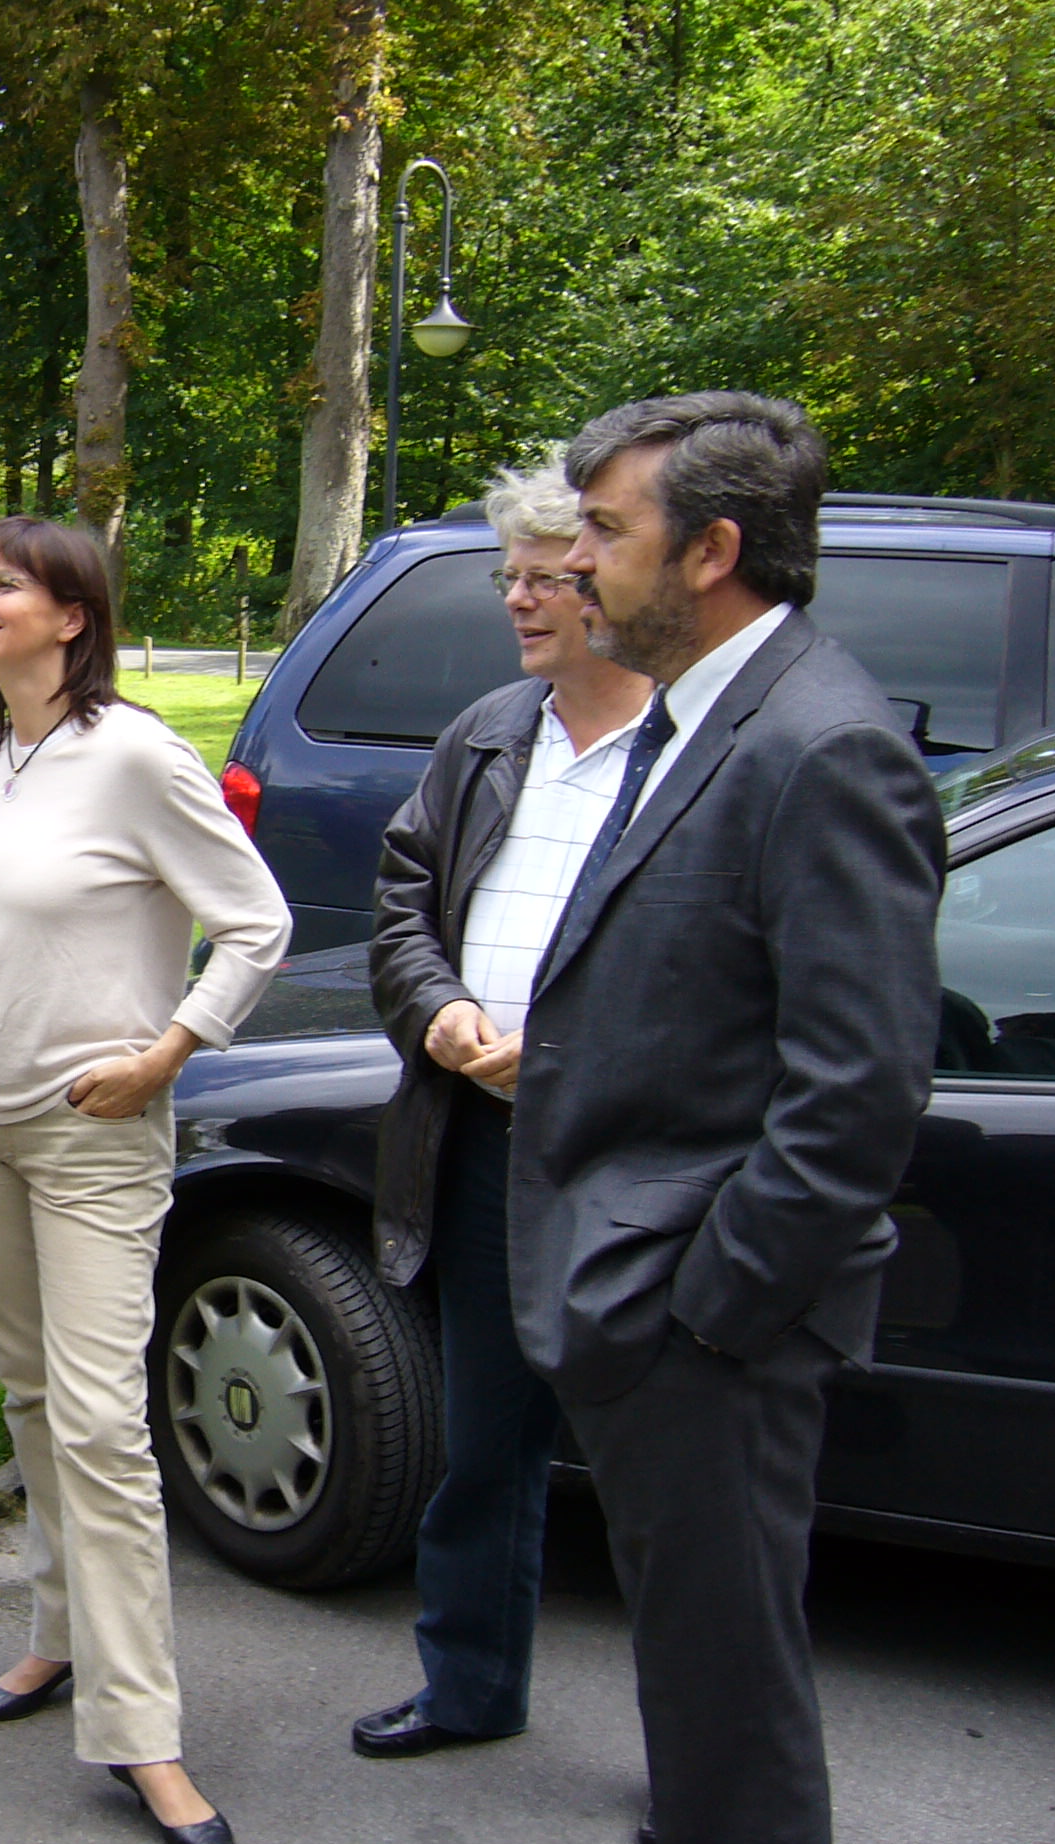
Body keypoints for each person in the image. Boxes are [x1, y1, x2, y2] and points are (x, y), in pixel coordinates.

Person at [515, 392, 944, 1844]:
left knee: (727, 1719)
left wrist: (706, 1314)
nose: (573, 563)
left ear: (710, 551)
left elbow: (859, 1092)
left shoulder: (822, 746)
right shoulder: (706, 716)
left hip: (709, 1341)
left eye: (604, 531)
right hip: (659, 1314)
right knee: (698, 1708)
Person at [0, 517, 288, 1844]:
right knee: (32, 1397)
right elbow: (11, 908)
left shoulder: (135, 754)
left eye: (4, 583)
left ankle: (142, 1733)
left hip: (93, 1133)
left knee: (105, 1425)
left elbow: (258, 923)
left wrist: (169, 1052)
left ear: (73, 615)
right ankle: (56, 1639)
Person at [355, 458, 655, 1759]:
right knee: (484, 1446)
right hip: (480, 1143)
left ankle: (698, 1762)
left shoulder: (690, 753)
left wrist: (572, 1053)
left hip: (630, 1162)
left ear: (611, 582)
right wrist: (437, 1011)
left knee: (662, 1478)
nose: (519, 600)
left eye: (546, 578)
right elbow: (402, 900)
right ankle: (468, 1687)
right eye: (509, 577)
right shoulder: (488, 734)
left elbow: (719, 979)